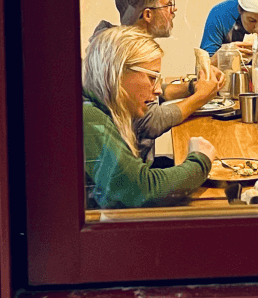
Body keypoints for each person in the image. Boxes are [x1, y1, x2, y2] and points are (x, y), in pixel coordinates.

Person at [90, 0, 222, 165]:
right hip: (134, 175)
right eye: (168, 4)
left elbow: (157, 92)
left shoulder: (129, 45)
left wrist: (194, 86)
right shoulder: (120, 55)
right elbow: (149, 122)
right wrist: (200, 97)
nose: (174, 10)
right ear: (148, 14)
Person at [83, 25, 217, 209]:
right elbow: (143, 190)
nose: (158, 90)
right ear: (119, 71)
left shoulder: (97, 108)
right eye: (152, 77)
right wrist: (200, 160)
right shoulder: (88, 117)